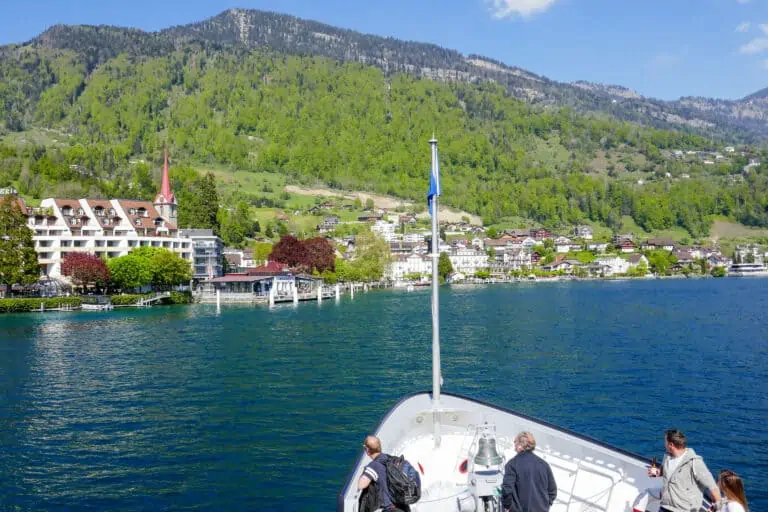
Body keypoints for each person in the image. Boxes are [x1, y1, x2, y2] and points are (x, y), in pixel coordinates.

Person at [647, 429, 722, 512]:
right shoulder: (667, 457)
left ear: (671, 445)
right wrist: (658, 472)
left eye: (665, 442)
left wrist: (717, 507)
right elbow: (667, 472)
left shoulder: (694, 463)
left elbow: (712, 486)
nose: (664, 444)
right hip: (665, 506)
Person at [502, 431, 557, 512]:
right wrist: (545, 505)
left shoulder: (512, 464)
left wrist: (507, 506)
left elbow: (507, 489)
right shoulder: (544, 465)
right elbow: (552, 491)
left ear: (520, 445)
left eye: (515, 442)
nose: (514, 444)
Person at [357, 435, 408, 512]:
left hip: (389, 509)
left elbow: (361, 485)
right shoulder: (391, 459)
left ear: (367, 450)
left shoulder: (373, 466)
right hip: (403, 506)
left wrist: (365, 471)